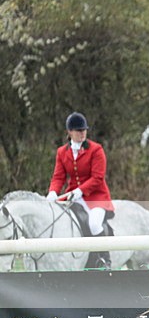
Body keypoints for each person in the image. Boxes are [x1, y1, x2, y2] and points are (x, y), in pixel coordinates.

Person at [46, 112, 115, 269]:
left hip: (96, 196)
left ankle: (104, 259)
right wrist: (53, 192)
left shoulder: (96, 150)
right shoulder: (62, 152)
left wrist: (80, 190)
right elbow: (58, 177)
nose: (82, 133)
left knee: (94, 224)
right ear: (69, 132)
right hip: (73, 196)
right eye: (78, 131)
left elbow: (98, 177)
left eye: (84, 130)